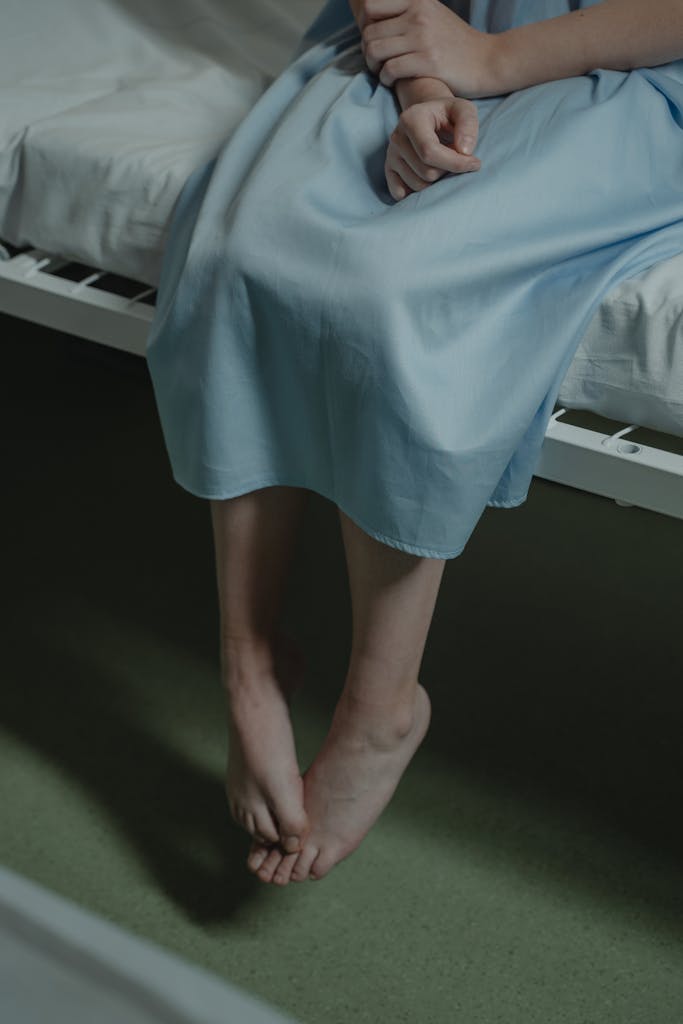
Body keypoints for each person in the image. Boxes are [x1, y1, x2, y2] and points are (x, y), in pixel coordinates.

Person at [145, 0, 683, 886]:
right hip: (418, 41)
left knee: (387, 292)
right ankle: (248, 662)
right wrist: (422, 73)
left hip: (631, 67)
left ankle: (381, 706)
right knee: (238, 251)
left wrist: (496, 60)